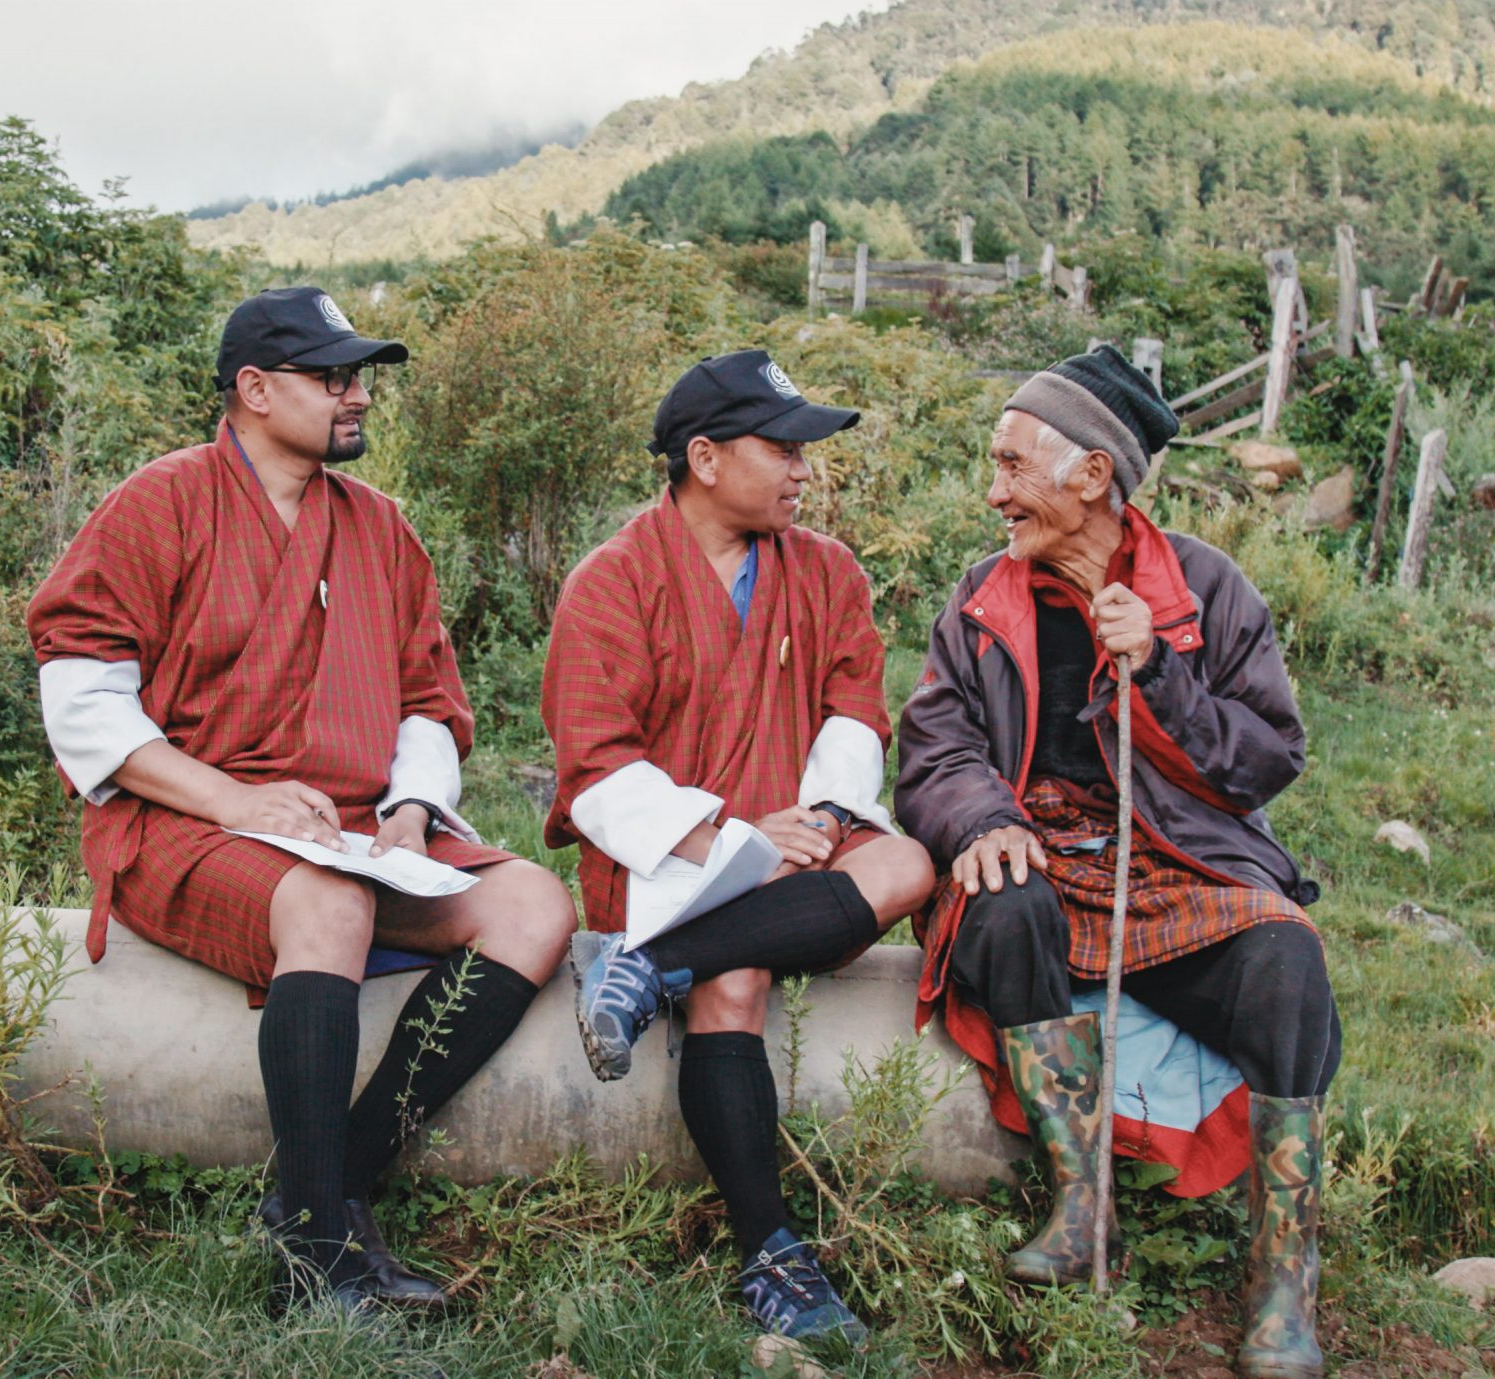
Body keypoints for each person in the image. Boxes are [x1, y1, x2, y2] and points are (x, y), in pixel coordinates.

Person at [26, 287, 575, 1315]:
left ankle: (322, 1187)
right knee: (330, 904)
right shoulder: (159, 502)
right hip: (183, 821)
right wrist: (234, 800)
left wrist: (411, 808)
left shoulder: (378, 527)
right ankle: (319, 1262)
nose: (356, 395)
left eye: (358, 376)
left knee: (534, 905)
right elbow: (86, 705)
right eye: (334, 378)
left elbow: (426, 696)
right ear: (254, 388)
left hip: (352, 829)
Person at [893, 346, 1339, 1379]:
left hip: (1172, 859)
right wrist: (979, 819)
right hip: (1041, 850)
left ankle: (1282, 1278)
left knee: (1285, 958)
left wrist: (1162, 671)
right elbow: (935, 747)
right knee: (999, 901)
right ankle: (1080, 1203)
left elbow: (1265, 756)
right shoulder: (979, 599)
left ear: (1091, 476)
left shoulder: (1205, 590)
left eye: (1011, 465)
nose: (992, 489)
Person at [544, 350, 936, 1342]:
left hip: (798, 841)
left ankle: (645, 971)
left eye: (807, 449)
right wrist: (722, 831)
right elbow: (594, 762)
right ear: (705, 457)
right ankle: (770, 1249)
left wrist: (820, 816)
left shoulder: (827, 569)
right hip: (668, 856)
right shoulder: (612, 580)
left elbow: (854, 707)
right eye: (783, 446)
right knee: (737, 981)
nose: (804, 468)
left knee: (904, 862)